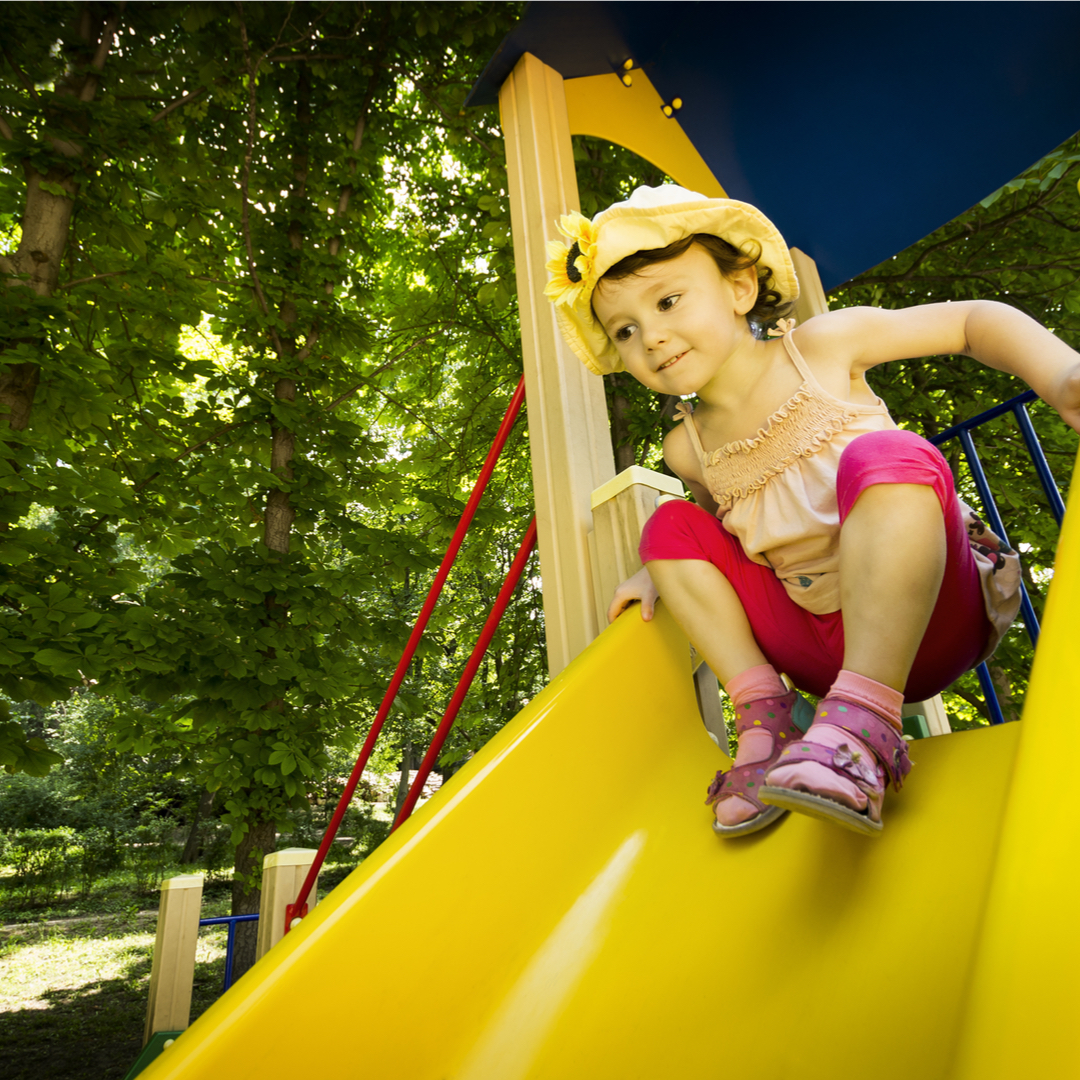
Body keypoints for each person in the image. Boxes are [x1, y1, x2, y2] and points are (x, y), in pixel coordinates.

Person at [544, 184, 1080, 838]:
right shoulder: (688, 446)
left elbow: (970, 323)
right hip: (819, 652)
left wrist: (1059, 376)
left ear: (740, 289)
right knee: (667, 528)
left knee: (886, 456)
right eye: (625, 330)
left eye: (668, 301)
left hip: (935, 614)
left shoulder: (825, 347)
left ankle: (866, 725)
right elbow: (717, 530)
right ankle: (767, 723)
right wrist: (660, 570)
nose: (651, 336)